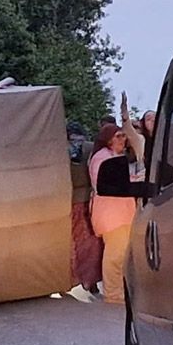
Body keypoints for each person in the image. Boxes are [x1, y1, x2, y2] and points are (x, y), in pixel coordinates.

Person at [89, 123, 135, 304]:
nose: (122, 140)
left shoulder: (114, 156)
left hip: (121, 213)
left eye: (123, 136)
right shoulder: (101, 158)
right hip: (111, 214)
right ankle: (113, 294)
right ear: (108, 139)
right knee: (115, 255)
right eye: (118, 136)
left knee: (122, 254)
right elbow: (109, 183)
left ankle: (119, 291)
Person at [66, 123, 102, 302]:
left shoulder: (61, 149)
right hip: (89, 199)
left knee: (73, 242)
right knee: (91, 242)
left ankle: (74, 279)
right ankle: (91, 279)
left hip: (70, 200)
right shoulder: (91, 147)